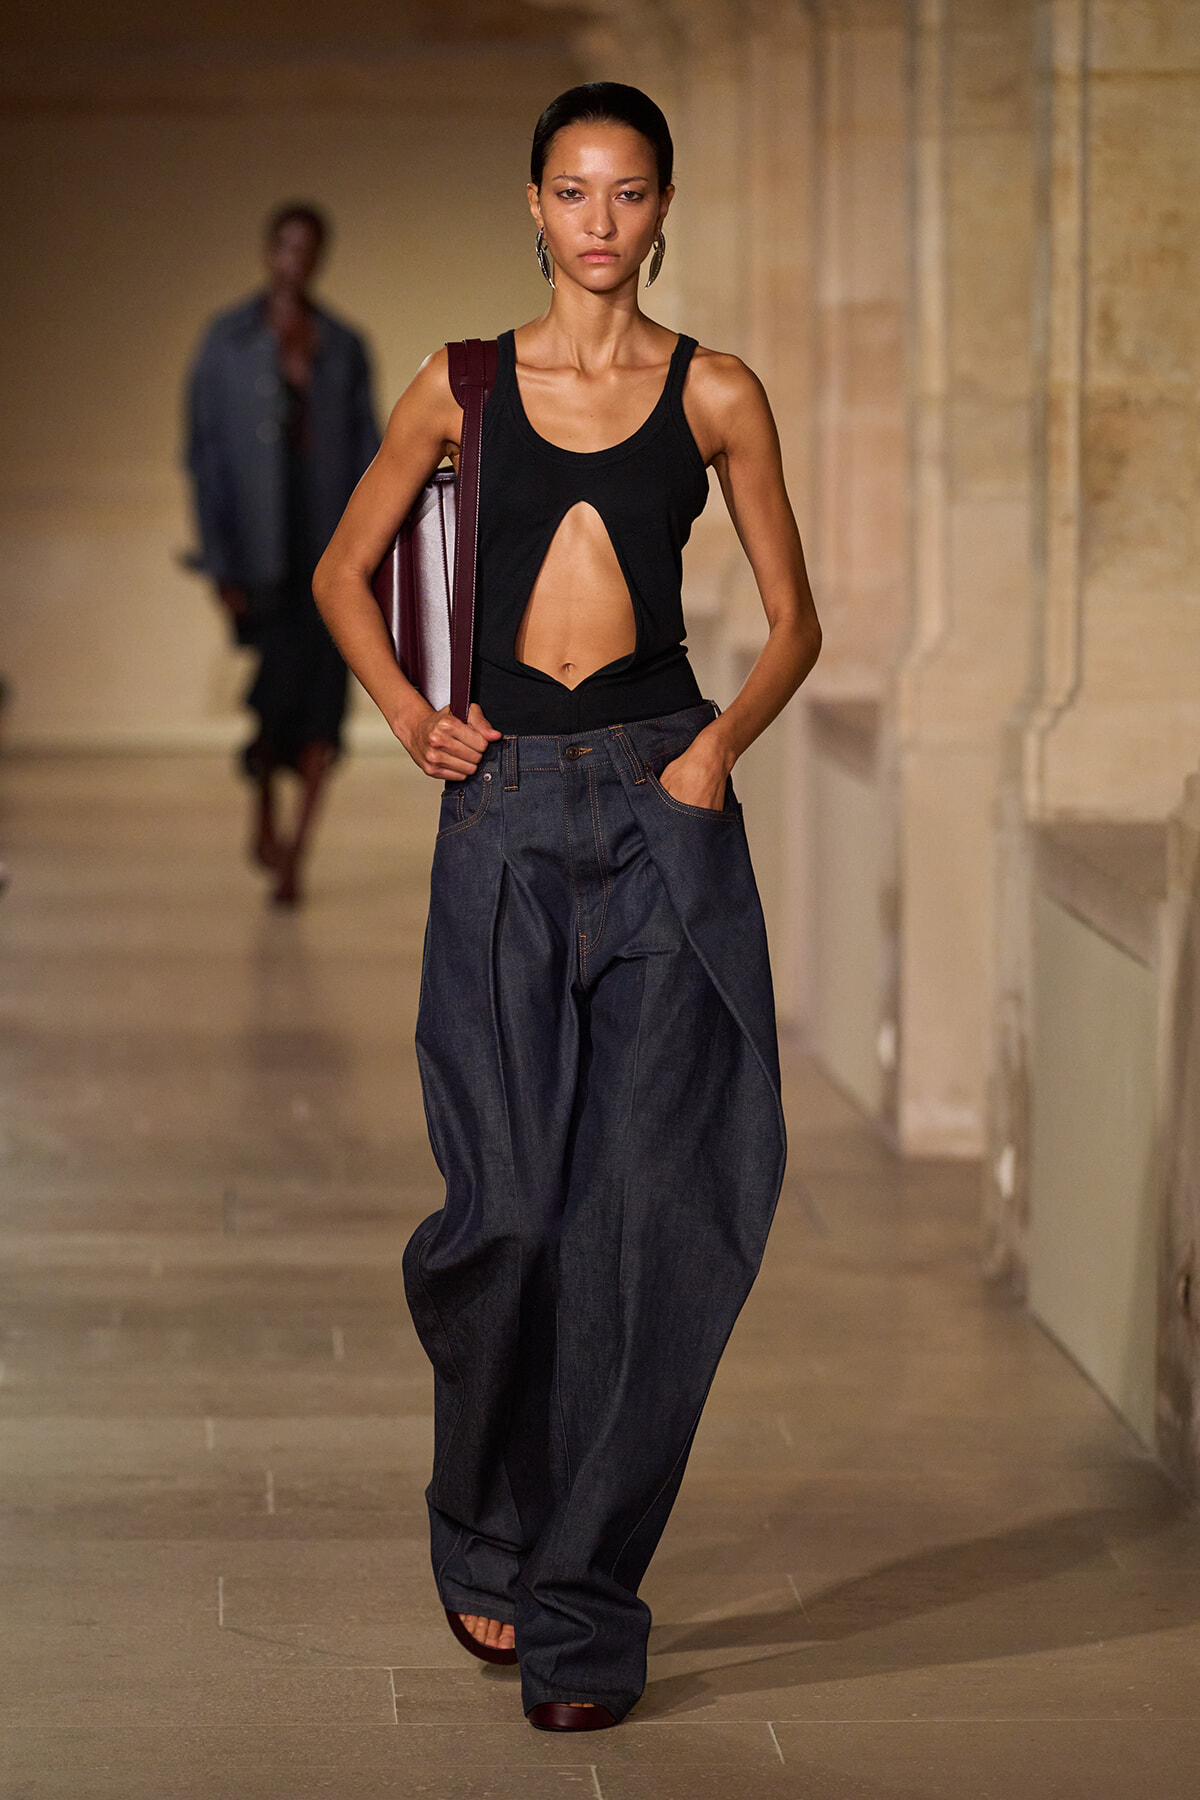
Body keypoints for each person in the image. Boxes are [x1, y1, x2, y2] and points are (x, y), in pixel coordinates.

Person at [313, 83, 821, 1730]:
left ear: (662, 209)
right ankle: (485, 1522)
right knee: (510, 1215)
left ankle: (583, 1604)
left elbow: (797, 623)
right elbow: (341, 572)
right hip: (505, 814)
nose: (600, 220)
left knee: (647, 1224)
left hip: (665, 806)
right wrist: (413, 719)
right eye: (573, 190)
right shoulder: (460, 387)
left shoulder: (716, 391)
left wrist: (716, 753)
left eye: (629, 192)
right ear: (533, 206)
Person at [186, 203, 379, 905]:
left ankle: (298, 851)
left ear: (320, 257)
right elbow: (205, 458)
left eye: (309, 248)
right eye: (287, 246)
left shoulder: (343, 345)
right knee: (272, 704)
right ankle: (265, 811)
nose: (296, 260)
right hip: (261, 557)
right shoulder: (227, 341)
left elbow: (369, 453)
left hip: (329, 557)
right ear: (269, 251)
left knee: (324, 706)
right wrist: (220, 562)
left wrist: (371, 554)